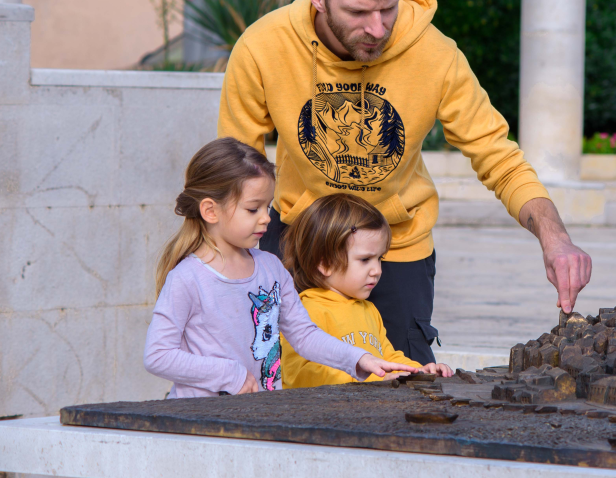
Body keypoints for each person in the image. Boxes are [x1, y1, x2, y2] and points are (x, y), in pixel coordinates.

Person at [218, 0, 592, 365]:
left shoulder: (436, 55)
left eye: (388, 9)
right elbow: (238, 169)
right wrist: (232, 265)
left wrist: (555, 238)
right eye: (358, 13)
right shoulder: (262, 47)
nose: (377, 29)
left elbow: (499, 158)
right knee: (277, 377)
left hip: (396, 246)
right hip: (300, 241)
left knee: (405, 384)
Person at [143, 138, 418, 398]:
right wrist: (230, 374)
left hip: (259, 418)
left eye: (267, 206)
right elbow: (158, 355)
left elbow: (304, 335)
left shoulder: (271, 267)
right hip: (200, 425)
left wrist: (359, 359)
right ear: (210, 211)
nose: (266, 218)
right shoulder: (187, 278)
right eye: (253, 209)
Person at [280, 194, 453, 388]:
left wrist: (418, 371)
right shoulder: (304, 311)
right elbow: (300, 374)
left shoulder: (368, 309)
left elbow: (388, 357)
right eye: (365, 260)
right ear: (325, 263)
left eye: (380, 259)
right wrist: (371, 380)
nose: (377, 271)